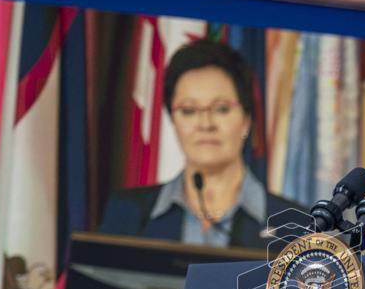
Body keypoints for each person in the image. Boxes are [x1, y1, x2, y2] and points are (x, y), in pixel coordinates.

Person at [99, 39, 300, 248]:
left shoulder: (297, 227)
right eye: (189, 111)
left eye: (221, 109)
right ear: (172, 120)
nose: (205, 124)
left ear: (246, 121)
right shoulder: (127, 215)